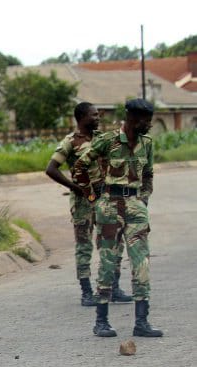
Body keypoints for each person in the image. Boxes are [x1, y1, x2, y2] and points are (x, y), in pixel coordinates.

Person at [74, 99, 163, 338]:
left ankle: (141, 322)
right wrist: (92, 197)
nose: (149, 125)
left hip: (135, 208)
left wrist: (142, 201)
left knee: (141, 262)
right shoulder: (107, 140)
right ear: (133, 119)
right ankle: (101, 321)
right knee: (108, 262)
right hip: (109, 207)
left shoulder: (147, 144)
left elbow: (148, 176)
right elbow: (79, 168)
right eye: (146, 121)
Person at [45, 102, 131, 306]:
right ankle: (86, 292)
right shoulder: (70, 142)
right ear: (82, 117)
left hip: (105, 199)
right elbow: (51, 169)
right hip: (83, 201)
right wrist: (74, 187)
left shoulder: (102, 139)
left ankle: (114, 287)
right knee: (84, 245)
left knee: (112, 243)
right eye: (94, 115)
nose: (98, 118)